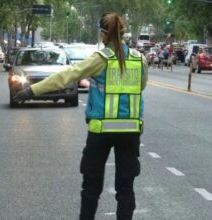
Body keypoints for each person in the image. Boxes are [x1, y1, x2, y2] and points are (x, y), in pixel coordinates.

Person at [12, 11, 148, 220]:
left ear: (103, 34)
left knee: (91, 188)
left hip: (100, 132)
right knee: (126, 189)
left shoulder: (100, 59)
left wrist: (32, 91)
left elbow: (66, 76)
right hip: (130, 132)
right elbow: (142, 86)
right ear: (123, 32)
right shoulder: (140, 59)